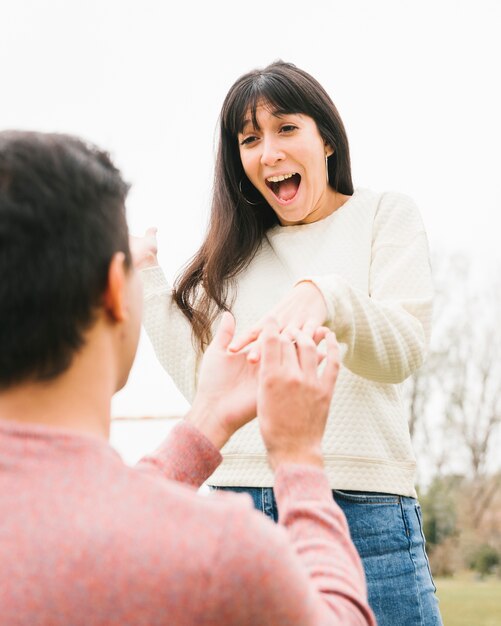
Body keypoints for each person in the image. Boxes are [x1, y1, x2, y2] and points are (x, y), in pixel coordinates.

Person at [0, 130, 375, 626]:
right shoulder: (222, 554)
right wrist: (299, 459)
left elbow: (79, 513)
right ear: (116, 289)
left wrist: (207, 421)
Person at [134, 60, 443, 625]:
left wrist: (328, 296)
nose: (268, 151)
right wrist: (147, 284)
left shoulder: (382, 215)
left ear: (326, 138)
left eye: (285, 128)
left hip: (363, 509)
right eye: (250, 139)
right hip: (238, 510)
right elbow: (210, 389)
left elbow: (403, 350)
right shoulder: (233, 252)